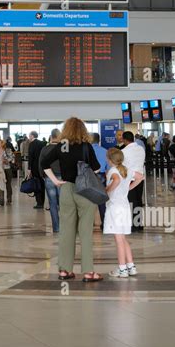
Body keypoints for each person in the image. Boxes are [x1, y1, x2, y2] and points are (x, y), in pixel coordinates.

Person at [43, 117, 103, 282]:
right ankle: (89, 272)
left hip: (67, 189)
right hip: (85, 190)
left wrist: (55, 181)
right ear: (83, 130)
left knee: (66, 231)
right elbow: (97, 168)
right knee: (85, 232)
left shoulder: (62, 146)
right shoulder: (86, 146)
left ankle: (64, 270)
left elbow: (44, 163)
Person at [104, 148, 143, 277]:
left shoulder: (113, 171)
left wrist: (107, 190)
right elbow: (140, 177)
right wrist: (129, 188)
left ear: (109, 159)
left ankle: (122, 269)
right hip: (125, 207)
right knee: (123, 238)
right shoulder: (126, 170)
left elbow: (116, 180)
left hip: (115, 207)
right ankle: (131, 266)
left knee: (119, 239)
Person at [121, 131, 146, 231]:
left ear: (124, 140)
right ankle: (139, 224)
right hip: (140, 179)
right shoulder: (141, 149)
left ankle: (133, 225)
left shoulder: (124, 152)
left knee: (130, 202)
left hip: (129, 179)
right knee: (138, 200)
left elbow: (122, 166)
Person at [39, 129, 62, 232]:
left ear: (51, 137)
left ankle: (56, 228)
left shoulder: (45, 149)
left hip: (49, 178)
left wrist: (43, 176)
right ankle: (66, 227)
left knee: (52, 203)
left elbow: (40, 164)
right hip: (62, 178)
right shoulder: (63, 149)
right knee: (63, 203)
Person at [91, 132, 108, 230]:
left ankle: (87, 224)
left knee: (88, 201)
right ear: (99, 140)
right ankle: (104, 224)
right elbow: (108, 168)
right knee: (102, 202)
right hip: (101, 176)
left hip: (89, 176)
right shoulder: (105, 151)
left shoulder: (87, 150)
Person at [0, 138, 14, 206]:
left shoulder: (8, 150)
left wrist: (6, 160)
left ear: (2, 144)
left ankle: (9, 199)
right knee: (0, 185)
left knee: (8, 184)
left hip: (7, 169)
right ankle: (1, 201)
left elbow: (12, 159)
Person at [28, 131, 45, 209]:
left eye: (29, 135)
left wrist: (29, 169)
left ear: (32, 136)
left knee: (36, 184)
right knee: (42, 184)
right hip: (42, 167)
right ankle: (43, 201)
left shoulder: (31, 144)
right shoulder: (42, 143)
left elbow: (30, 157)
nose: (29, 137)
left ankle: (39, 203)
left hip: (34, 167)